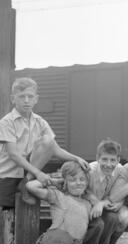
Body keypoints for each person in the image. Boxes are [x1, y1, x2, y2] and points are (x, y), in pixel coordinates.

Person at [0, 77, 89, 210]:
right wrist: (38, 173)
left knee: (48, 140)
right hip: (8, 175)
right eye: (21, 96)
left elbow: (54, 148)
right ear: (13, 99)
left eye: (30, 96)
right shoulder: (6, 122)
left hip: (28, 174)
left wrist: (76, 158)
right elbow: (14, 155)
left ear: (36, 99)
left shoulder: (40, 122)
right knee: (6, 213)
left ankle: (26, 183)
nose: (26, 100)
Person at [79, 139, 128, 244]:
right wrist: (96, 202)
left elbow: (122, 190)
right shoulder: (90, 170)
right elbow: (84, 190)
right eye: (105, 159)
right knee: (98, 224)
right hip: (88, 204)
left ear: (118, 159)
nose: (109, 164)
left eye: (113, 160)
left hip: (106, 205)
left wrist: (121, 202)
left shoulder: (121, 170)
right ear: (97, 158)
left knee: (114, 219)